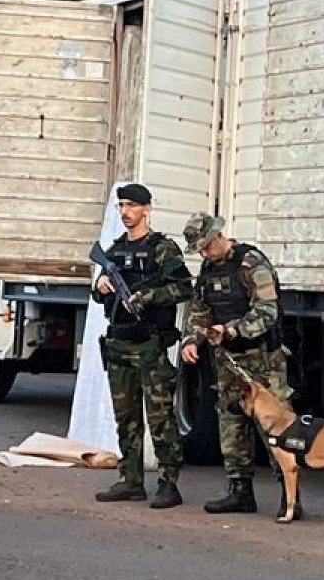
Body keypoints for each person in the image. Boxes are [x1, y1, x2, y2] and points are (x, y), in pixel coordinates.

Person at [179, 212, 295, 516]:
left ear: (219, 236)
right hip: (229, 362)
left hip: (263, 360)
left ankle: (290, 496)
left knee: (277, 427)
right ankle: (240, 490)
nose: (204, 253)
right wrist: (192, 340)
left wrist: (232, 329)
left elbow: (268, 311)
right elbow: (199, 311)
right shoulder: (208, 270)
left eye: (206, 246)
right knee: (231, 424)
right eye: (199, 250)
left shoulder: (252, 263)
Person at [91, 183, 195, 509]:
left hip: (150, 344)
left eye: (132, 206)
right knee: (127, 418)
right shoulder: (117, 248)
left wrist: (147, 296)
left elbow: (182, 288)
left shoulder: (162, 249)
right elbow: (97, 294)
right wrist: (102, 284)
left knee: (160, 419)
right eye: (121, 205)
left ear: (147, 209)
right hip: (119, 344)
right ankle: (130, 479)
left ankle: (168, 483)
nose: (125, 212)